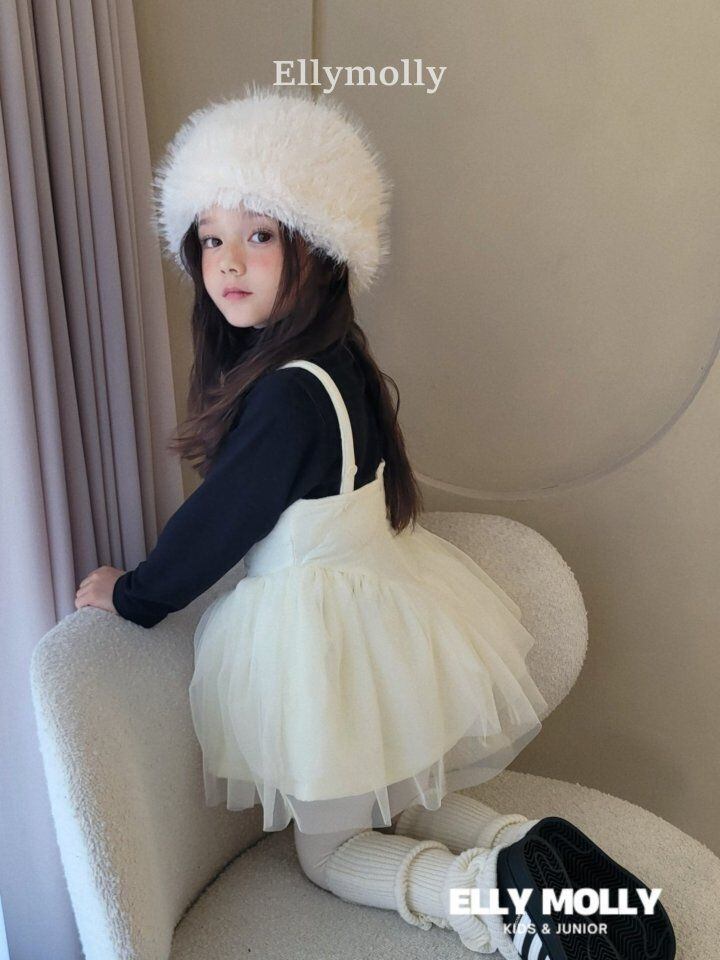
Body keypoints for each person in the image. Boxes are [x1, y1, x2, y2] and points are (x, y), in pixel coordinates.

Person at [74, 85, 676, 959]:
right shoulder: (337, 360)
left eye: (259, 235)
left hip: (323, 641)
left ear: (317, 248)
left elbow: (213, 526)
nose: (227, 261)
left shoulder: (284, 398)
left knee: (330, 852)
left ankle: (489, 900)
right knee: (399, 793)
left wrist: (131, 593)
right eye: (209, 238)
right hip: (378, 611)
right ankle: (525, 845)